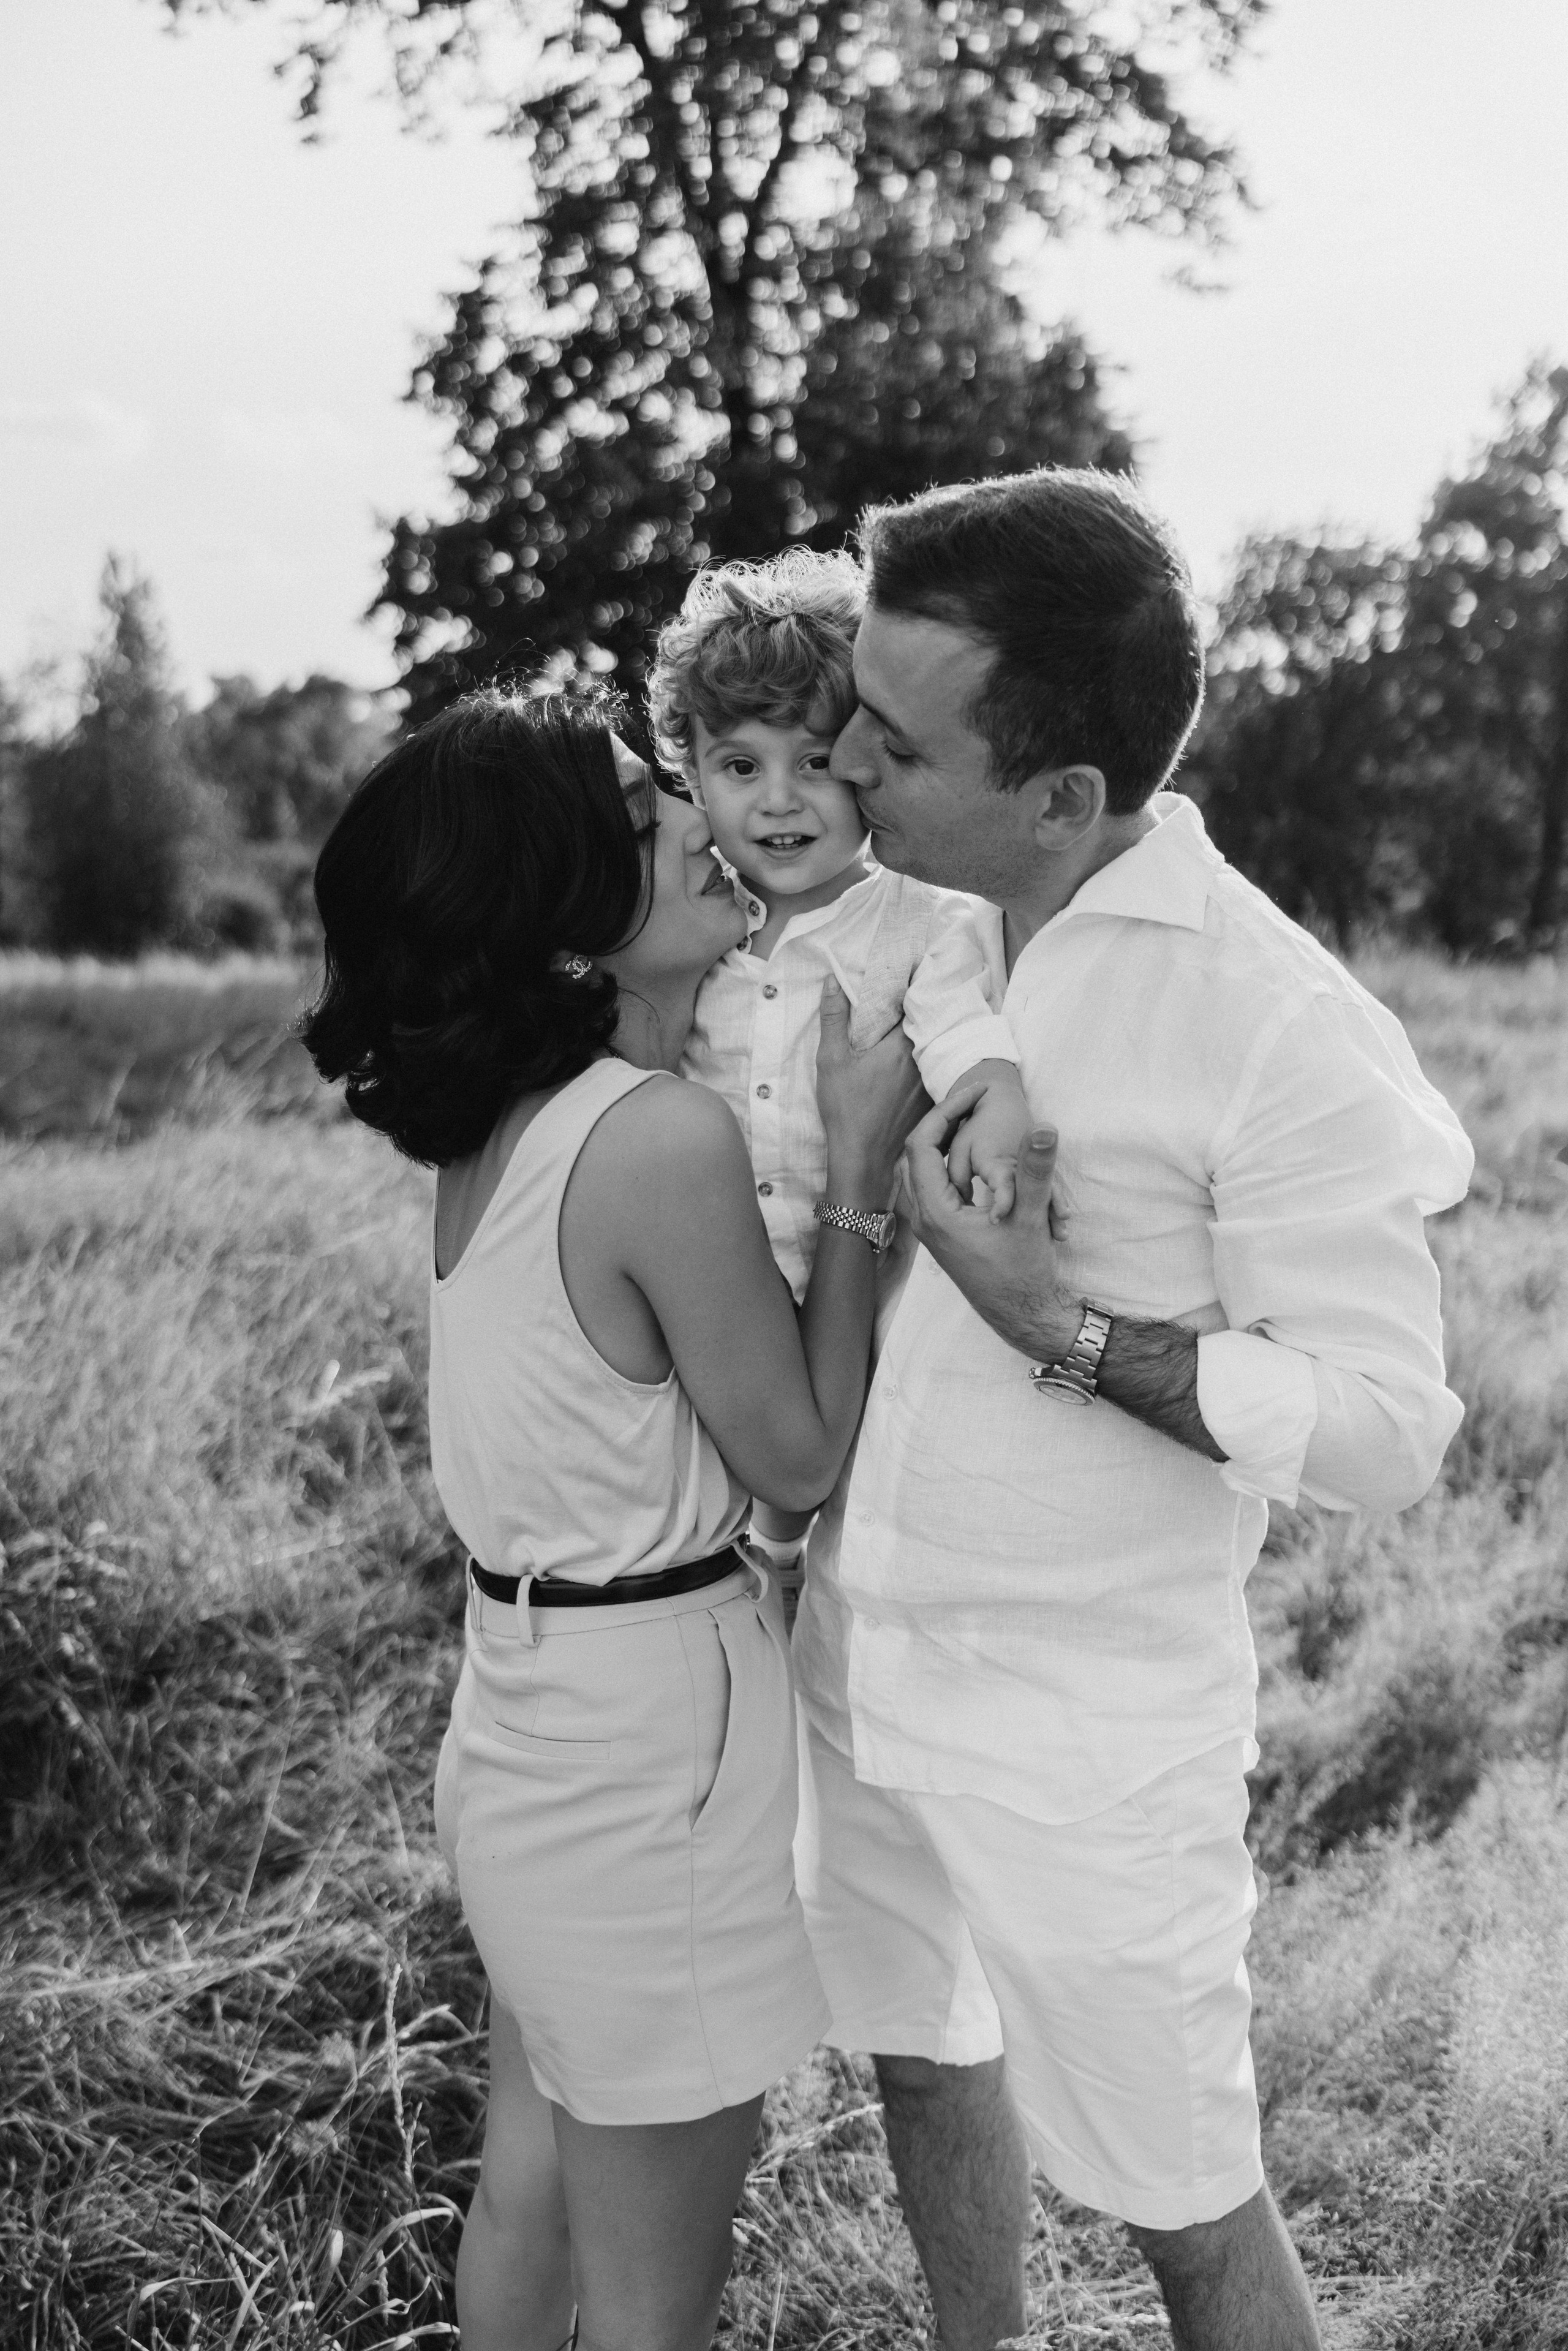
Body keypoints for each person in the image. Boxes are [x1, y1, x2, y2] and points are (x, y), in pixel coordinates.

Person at [790, 468, 1476, 2351]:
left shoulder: (1268, 1020)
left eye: (893, 736)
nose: (844, 756)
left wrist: (1060, 1321)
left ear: (1066, 797)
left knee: (1188, 2203)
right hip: (862, 1652)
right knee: (925, 2069)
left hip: (1088, 1726)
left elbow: (1387, 1427)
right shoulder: (911, 921)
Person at [301, 689, 927, 2351]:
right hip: (655, 1746)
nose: (704, 820)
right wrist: (863, 1176)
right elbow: (793, 1453)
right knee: (655, 2299)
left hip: (522, 1721)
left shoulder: (504, 1124)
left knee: (531, 2184)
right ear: (569, 905)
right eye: (653, 809)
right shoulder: (656, 1138)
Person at [648, 550, 1029, 1600]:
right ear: (690, 769)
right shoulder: (697, 927)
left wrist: (993, 1094)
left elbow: (956, 1031)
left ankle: (794, 1577)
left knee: (832, 1500)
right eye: (739, 768)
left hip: (866, 1287)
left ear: (864, 758)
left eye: (813, 763)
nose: (779, 802)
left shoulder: (919, 918)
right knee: (712, 1503)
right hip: (717, 1292)